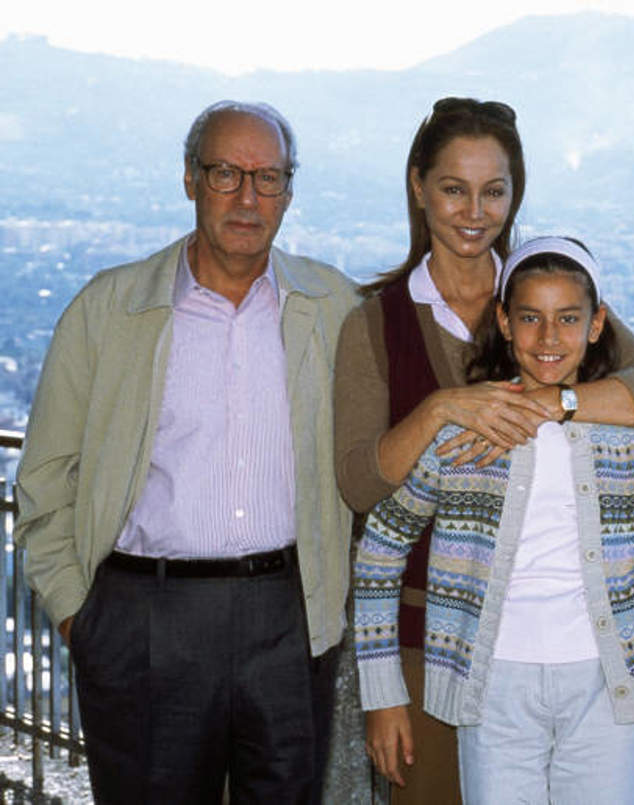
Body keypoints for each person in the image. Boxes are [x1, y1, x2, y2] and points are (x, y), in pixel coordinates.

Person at [334, 98, 634, 799]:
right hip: (423, 636)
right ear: (417, 186)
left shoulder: (546, 295)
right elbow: (359, 485)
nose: (473, 210)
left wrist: (552, 401)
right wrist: (442, 408)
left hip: (554, 648)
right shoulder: (375, 324)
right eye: (453, 188)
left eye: (493, 191)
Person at [14, 100, 358, 804]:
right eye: (226, 173)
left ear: (289, 193)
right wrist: (84, 619)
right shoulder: (109, 310)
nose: (247, 196)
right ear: (189, 179)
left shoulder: (334, 307)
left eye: (267, 177)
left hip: (286, 618)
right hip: (145, 617)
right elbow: (45, 480)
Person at [354, 237, 634, 804]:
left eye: (567, 319)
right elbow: (380, 549)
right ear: (504, 322)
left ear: (596, 325)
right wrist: (382, 691)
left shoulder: (632, 436)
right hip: (492, 687)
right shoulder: (465, 432)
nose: (548, 338)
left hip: (608, 687)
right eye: (530, 318)